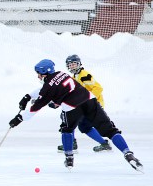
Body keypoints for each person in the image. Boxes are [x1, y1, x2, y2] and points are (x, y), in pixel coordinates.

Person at [9, 59, 143, 172]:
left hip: (72, 108)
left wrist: (19, 118)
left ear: (45, 72)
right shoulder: (62, 74)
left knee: (67, 129)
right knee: (110, 130)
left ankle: (69, 159)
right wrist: (28, 96)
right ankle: (128, 154)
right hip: (90, 101)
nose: (38, 76)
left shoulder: (48, 87)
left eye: (39, 74)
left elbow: (36, 107)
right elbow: (49, 86)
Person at [55, 54, 111, 153]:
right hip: (86, 105)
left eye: (74, 64)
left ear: (79, 64)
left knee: (75, 122)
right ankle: (103, 144)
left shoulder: (84, 75)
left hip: (92, 105)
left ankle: (74, 143)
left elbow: (98, 88)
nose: (72, 66)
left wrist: (89, 100)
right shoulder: (75, 76)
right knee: (78, 124)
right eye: (70, 65)